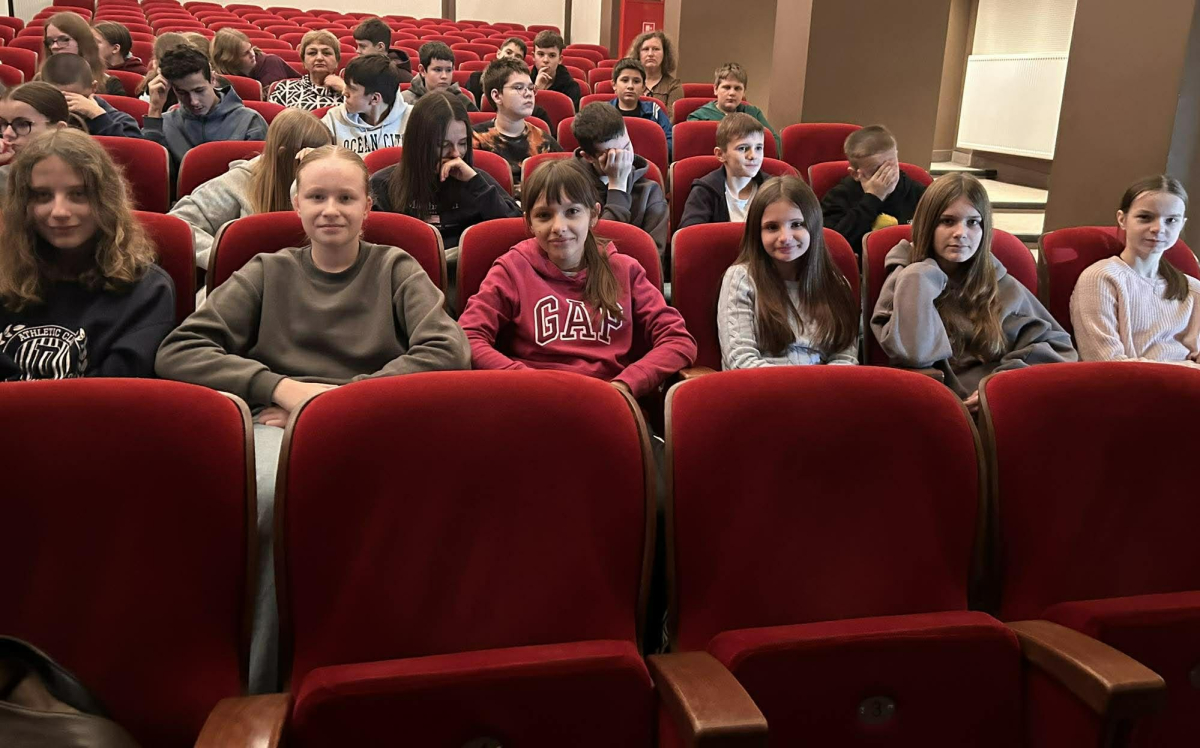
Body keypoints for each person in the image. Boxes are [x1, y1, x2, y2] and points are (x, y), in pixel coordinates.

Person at [155, 145, 470, 694]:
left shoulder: (395, 267)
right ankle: (262, 690)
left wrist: (341, 399)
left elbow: (448, 349)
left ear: (367, 207)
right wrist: (283, 388)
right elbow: (179, 350)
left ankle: (407, 674)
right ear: (296, 203)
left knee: (425, 508)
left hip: (376, 423)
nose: (331, 210)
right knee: (268, 505)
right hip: (279, 425)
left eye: (345, 198)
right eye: (317, 197)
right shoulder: (266, 270)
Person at [459, 158, 695, 398]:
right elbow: (468, 336)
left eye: (572, 212)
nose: (559, 227)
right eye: (544, 215)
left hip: (607, 398)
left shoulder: (626, 270)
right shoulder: (511, 268)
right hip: (532, 398)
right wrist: (523, 379)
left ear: (593, 215)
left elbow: (677, 340)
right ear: (529, 222)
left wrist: (626, 384)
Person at [871, 173, 1076, 409]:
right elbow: (915, 353)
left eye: (973, 222)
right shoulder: (908, 277)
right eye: (948, 221)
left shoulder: (996, 280)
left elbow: (1059, 347)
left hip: (1000, 404)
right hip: (933, 404)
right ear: (927, 225)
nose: (961, 232)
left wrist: (1001, 384)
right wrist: (921, 276)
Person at [0, 129, 174, 381]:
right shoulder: (5, 272)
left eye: (78, 194)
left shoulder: (147, 288)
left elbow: (115, 391)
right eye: (42, 196)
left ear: (105, 201)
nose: (59, 211)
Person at [717, 176, 858, 369]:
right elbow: (741, 362)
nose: (785, 237)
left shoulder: (836, 284)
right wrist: (798, 386)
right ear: (757, 233)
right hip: (759, 385)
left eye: (797, 224)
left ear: (813, 227)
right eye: (772, 227)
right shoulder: (741, 279)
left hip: (825, 386)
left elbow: (846, 359)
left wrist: (820, 386)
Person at [170, 108, 332, 269]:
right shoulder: (240, 181)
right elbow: (178, 224)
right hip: (249, 278)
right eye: (311, 160)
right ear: (284, 156)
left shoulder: (330, 187)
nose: (322, 169)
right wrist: (227, 258)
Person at [1071, 175, 1200, 365]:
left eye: (1171, 220)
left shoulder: (1193, 289)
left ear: (1182, 225)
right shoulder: (1100, 278)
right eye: (1145, 217)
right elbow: (1106, 363)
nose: (1158, 228)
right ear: (1122, 219)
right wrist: (1188, 368)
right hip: (1129, 383)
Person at [371, 91, 519, 253]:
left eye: (462, 143)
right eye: (443, 145)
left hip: (464, 265)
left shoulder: (477, 181)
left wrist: (476, 184)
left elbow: (516, 230)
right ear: (419, 144)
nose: (456, 154)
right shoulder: (383, 185)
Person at [145, 45, 268, 170]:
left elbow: (261, 175)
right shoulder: (165, 123)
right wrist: (155, 109)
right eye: (182, 93)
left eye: (199, 90)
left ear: (213, 79)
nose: (194, 102)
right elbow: (154, 171)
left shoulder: (250, 121)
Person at [571, 102, 668, 258]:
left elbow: (653, 260)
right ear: (588, 157)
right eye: (612, 156)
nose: (625, 159)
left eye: (627, 147)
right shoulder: (566, 186)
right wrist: (617, 189)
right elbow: (586, 253)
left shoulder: (650, 191)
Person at [822, 125, 927, 255]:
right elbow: (833, 246)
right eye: (877, 172)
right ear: (855, 174)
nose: (887, 176)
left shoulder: (919, 193)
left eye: (891, 166)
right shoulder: (838, 197)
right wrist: (872, 198)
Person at [472, 57, 562, 194]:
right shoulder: (475, 139)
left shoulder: (544, 141)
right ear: (496, 96)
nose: (528, 94)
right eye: (519, 88)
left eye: (531, 88)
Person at [679, 113, 765, 229]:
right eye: (743, 148)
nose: (753, 156)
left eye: (758, 148)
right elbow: (689, 235)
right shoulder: (705, 191)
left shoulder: (773, 190)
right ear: (720, 154)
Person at [0, 83, 82, 197]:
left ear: (59, 129)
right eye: (3, 123)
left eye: (22, 124)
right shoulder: (4, 176)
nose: (7, 133)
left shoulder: (85, 176)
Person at [321, 54, 409, 156]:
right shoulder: (333, 118)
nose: (344, 92)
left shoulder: (413, 119)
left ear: (374, 99)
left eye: (352, 88)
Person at [41, 53, 142, 138]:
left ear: (93, 87)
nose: (67, 105)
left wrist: (98, 116)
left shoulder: (120, 121)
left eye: (76, 97)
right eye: (59, 98)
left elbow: (132, 151)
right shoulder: (36, 118)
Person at [686, 62, 779, 145]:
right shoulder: (698, 118)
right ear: (715, 89)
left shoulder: (754, 113)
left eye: (737, 88)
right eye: (727, 87)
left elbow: (775, 142)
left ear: (744, 92)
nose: (732, 93)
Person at [41, 13, 124, 95]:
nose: (54, 46)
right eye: (50, 41)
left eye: (64, 40)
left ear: (82, 41)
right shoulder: (40, 80)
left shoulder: (109, 84)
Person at [267, 30, 344, 110]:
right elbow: (274, 117)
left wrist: (344, 88)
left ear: (337, 61)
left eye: (326, 53)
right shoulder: (285, 88)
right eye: (312, 53)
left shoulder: (347, 91)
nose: (319, 58)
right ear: (303, 61)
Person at [608, 58, 671, 152]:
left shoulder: (654, 111)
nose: (630, 86)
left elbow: (670, 141)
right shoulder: (603, 113)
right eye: (625, 80)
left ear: (643, 87)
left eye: (636, 81)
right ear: (614, 85)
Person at [210, 28, 298, 91]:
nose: (252, 54)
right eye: (245, 53)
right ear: (230, 59)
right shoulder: (219, 78)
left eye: (251, 48)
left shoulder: (272, 63)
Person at [401, 41, 477, 111]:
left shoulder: (463, 102)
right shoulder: (404, 101)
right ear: (422, 70)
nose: (444, 76)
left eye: (448, 70)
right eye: (438, 70)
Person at [626, 30, 682, 120]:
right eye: (645, 49)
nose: (650, 54)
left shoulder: (673, 86)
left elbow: (670, 120)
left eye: (656, 49)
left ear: (665, 54)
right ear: (638, 54)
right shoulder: (627, 83)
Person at [351, 16, 412, 83]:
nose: (357, 51)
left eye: (363, 46)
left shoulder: (402, 76)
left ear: (380, 47)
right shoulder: (358, 68)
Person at [466, 36, 524, 105]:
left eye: (518, 57)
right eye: (508, 52)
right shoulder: (475, 79)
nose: (512, 57)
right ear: (498, 54)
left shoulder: (523, 88)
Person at [531, 30, 580, 110]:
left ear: (560, 59)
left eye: (552, 55)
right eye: (541, 54)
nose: (546, 60)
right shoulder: (524, 81)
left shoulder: (571, 87)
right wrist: (537, 89)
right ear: (533, 56)